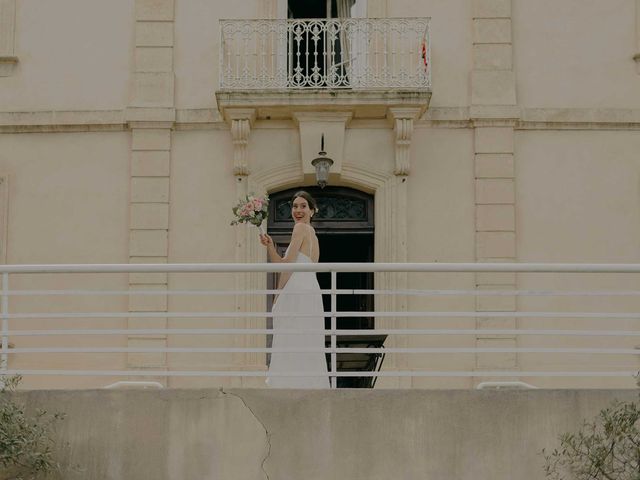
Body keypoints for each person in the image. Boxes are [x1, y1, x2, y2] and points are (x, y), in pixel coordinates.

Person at [259, 191, 330, 388]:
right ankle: (308, 382)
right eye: (295, 206)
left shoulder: (300, 228)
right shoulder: (313, 234)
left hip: (298, 288)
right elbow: (285, 262)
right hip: (311, 288)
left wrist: (278, 295)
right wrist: (271, 246)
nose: (298, 210)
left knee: (291, 334)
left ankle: (287, 382)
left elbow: (286, 266)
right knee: (306, 337)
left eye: (303, 206)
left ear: (312, 211)